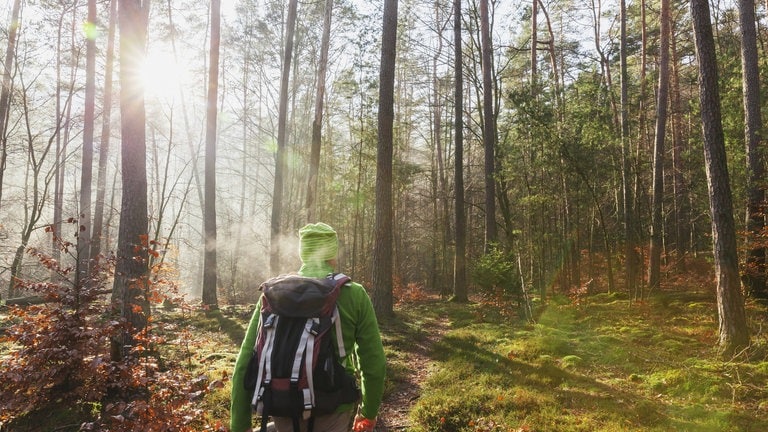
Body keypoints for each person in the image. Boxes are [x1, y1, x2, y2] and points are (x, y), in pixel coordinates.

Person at [230, 222, 386, 432]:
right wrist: (368, 412)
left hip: (282, 403)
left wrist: (240, 424)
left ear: (303, 253)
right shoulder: (353, 294)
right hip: (333, 408)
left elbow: (245, 361)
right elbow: (373, 362)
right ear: (333, 255)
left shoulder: (273, 294)